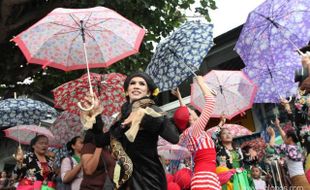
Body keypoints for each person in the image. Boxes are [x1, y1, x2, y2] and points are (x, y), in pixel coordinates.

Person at [110, 71, 180, 190]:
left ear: (148, 92)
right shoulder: (122, 116)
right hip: (127, 179)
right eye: (132, 83)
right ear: (127, 91)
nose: (136, 86)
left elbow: (174, 137)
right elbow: (101, 141)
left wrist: (142, 117)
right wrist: (94, 115)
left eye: (142, 84)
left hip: (149, 179)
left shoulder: (153, 110)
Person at [173, 76, 221, 190]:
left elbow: (182, 116)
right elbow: (210, 102)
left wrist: (179, 97)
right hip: (206, 179)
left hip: (203, 178)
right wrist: (201, 83)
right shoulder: (195, 130)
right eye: (190, 111)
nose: (191, 110)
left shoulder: (187, 134)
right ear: (189, 118)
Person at [267, 119, 310, 189]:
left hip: (298, 180)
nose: (284, 138)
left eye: (286, 137)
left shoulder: (287, 148)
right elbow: (284, 137)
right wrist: (278, 126)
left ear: (290, 138)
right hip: (301, 178)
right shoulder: (296, 146)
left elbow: (271, 144)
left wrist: (272, 135)